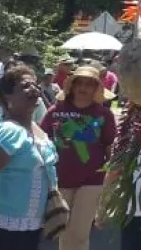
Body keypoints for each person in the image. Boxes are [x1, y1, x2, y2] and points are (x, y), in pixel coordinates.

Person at [0, 65, 60, 250]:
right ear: (7, 97)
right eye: (25, 86)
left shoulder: (37, 130)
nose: (33, 89)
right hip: (3, 228)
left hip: (30, 226)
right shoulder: (8, 130)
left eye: (35, 85)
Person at [39, 67, 114, 250]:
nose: (83, 87)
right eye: (79, 82)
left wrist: (110, 186)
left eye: (89, 84)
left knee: (79, 234)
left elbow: (110, 148)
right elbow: (40, 141)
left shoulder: (104, 114)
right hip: (60, 178)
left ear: (97, 88)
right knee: (64, 232)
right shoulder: (54, 111)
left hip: (92, 179)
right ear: (71, 86)